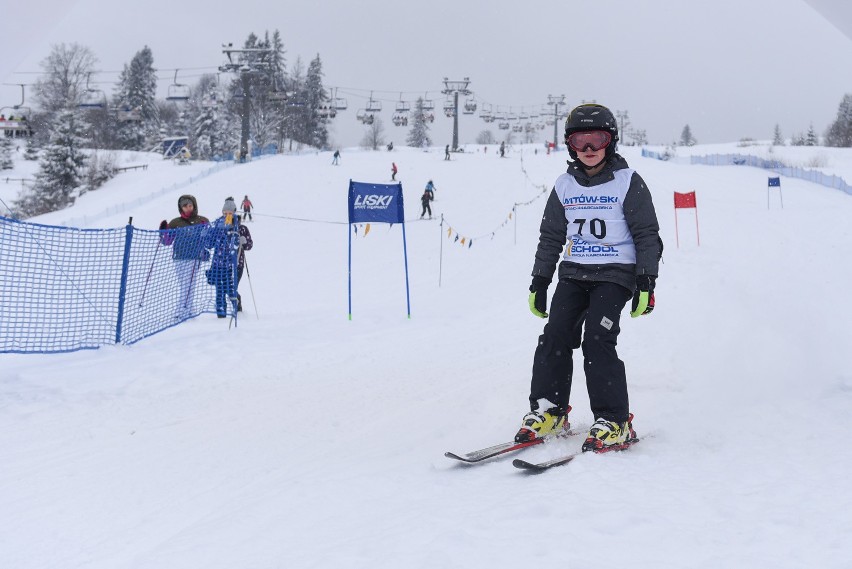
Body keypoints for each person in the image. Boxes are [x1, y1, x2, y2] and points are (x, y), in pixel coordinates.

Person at [515, 103, 662, 454]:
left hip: (616, 274)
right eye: (581, 140)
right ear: (570, 145)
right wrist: (540, 280)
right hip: (574, 273)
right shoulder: (564, 185)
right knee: (555, 335)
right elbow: (551, 236)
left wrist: (646, 282)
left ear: (610, 142)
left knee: (598, 337)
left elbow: (647, 235)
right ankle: (550, 411)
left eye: (597, 139)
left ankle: (615, 420)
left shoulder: (628, 181)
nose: (589, 149)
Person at [159, 195, 210, 319]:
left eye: (190, 205)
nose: (188, 208)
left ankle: (181, 310)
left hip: (194, 257)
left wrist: (206, 234)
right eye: (185, 206)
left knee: (189, 284)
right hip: (179, 257)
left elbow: (209, 240)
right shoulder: (176, 222)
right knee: (185, 284)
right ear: (181, 208)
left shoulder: (202, 220)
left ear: (194, 205)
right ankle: (188, 308)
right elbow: (167, 242)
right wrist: (163, 231)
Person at [205, 198, 253, 317]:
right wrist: (205, 236)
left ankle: (237, 307)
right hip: (218, 263)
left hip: (235, 263)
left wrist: (244, 241)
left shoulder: (241, 228)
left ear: (234, 212)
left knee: (230, 289)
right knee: (219, 290)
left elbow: (249, 245)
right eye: (225, 213)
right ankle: (221, 314)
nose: (227, 215)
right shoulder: (217, 227)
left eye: (230, 213)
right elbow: (209, 244)